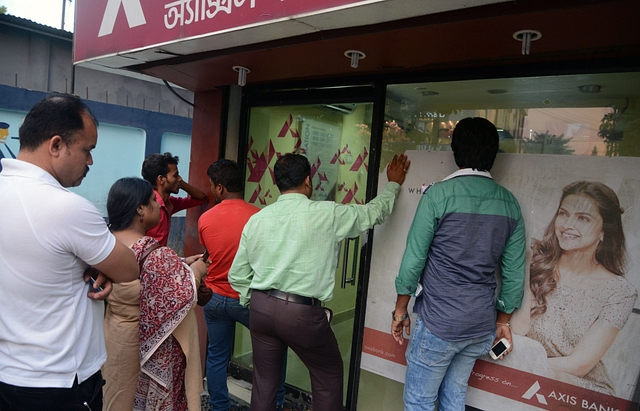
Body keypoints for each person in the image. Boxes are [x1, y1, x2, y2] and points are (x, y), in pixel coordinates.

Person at [229, 152, 410, 411]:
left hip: (261, 309)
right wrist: (392, 184)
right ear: (308, 181)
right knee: (328, 377)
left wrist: (254, 300)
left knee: (264, 383)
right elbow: (373, 213)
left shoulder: (257, 219)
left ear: (275, 181)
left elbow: (237, 275)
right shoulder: (328, 213)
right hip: (302, 314)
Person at [0, 93, 139, 411]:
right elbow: (129, 268)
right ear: (56, 145)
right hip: (60, 382)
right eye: (87, 150)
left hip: (8, 374)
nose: (91, 162)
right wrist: (101, 266)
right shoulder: (67, 208)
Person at [391, 117, 526, 411]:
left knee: (419, 401)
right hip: (479, 325)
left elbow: (413, 259)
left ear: (455, 151)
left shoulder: (438, 196)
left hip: (439, 322)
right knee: (454, 397)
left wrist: (401, 309)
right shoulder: (509, 203)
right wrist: (503, 322)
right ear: (493, 154)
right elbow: (514, 274)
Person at [102, 177, 208, 411]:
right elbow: (182, 295)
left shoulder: (104, 243)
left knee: (115, 396)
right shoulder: (154, 253)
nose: (159, 205)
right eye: (152, 200)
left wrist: (179, 263)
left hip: (111, 336)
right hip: (142, 346)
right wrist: (197, 271)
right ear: (140, 209)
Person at [522, 180, 637, 395]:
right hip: (518, 373)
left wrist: (519, 364)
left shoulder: (619, 291)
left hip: (570, 384)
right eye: (564, 214)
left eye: (583, 218)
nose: (568, 225)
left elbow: (579, 365)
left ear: (605, 230)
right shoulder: (533, 259)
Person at [198, 159, 288, 411]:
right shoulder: (260, 216)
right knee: (272, 354)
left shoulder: (205, 218)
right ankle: (275, 403)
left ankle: (219, 407)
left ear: (219, 188)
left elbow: (211, 252)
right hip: (249, 299)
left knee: (216, 356)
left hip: (214, 298)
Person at [141, 152, 209, 246]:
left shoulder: (169, 202)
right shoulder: (145, 205)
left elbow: (201, 198)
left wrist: (179, 183)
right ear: (161, 179)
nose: (180, 179)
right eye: (175, 175)